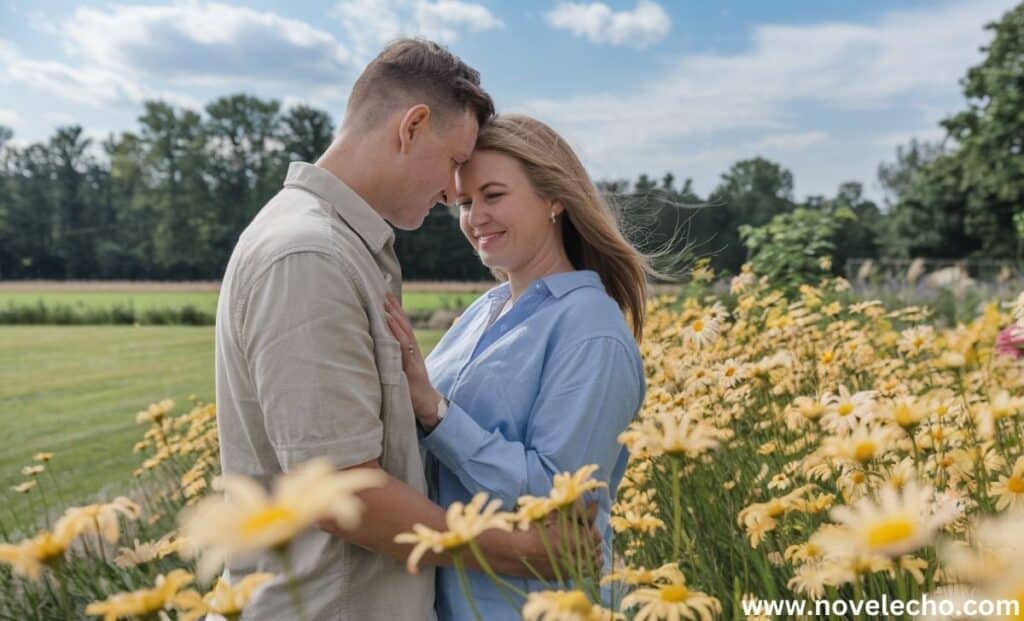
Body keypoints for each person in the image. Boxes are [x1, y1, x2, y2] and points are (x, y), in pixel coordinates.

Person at [215, 40, 588, 620]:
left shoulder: (340, 246)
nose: (449, 195)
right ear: (412, 127)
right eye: (452, 162)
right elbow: (344, 494)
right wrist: (518, 553)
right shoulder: (309, 254)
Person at [383, 113, 649, 621]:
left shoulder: (590, 328)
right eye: (463, 203)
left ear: (555, 199)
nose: (474, 216)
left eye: (493, 195)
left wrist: (436, 414)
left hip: (531, 607)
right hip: (450, 600)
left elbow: (556, 496)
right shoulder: (485, 309)